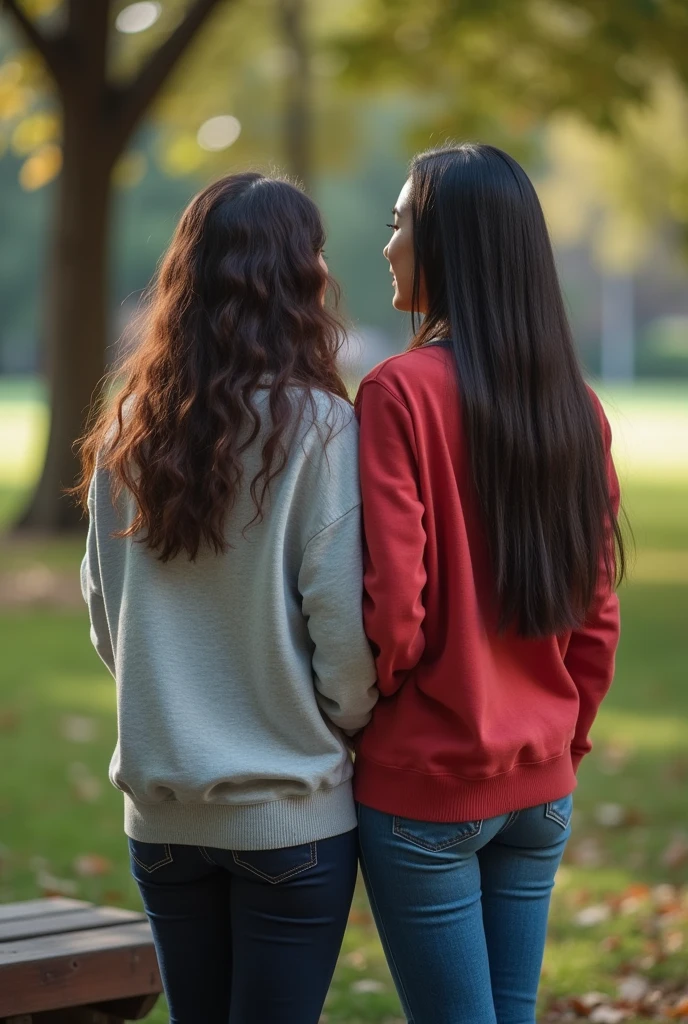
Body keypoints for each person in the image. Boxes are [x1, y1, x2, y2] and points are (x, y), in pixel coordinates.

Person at [76, 172, 377, 1024]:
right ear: (300, 279)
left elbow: (108, 617)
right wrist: (338, 719)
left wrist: (177, 698)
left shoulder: (127, 426)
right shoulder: (321, 429)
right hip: (291, 813)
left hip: (161, 816)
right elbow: (344, 637)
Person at [354, 143, 625, 1024]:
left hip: (426, 782)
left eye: (399, 224)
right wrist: (561, 741)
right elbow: (598, 611)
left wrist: (392, 706)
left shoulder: (399, 392)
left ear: (448, 245)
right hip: (540, 788)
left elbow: (397, 607)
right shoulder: (576, 407)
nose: (385, 243)